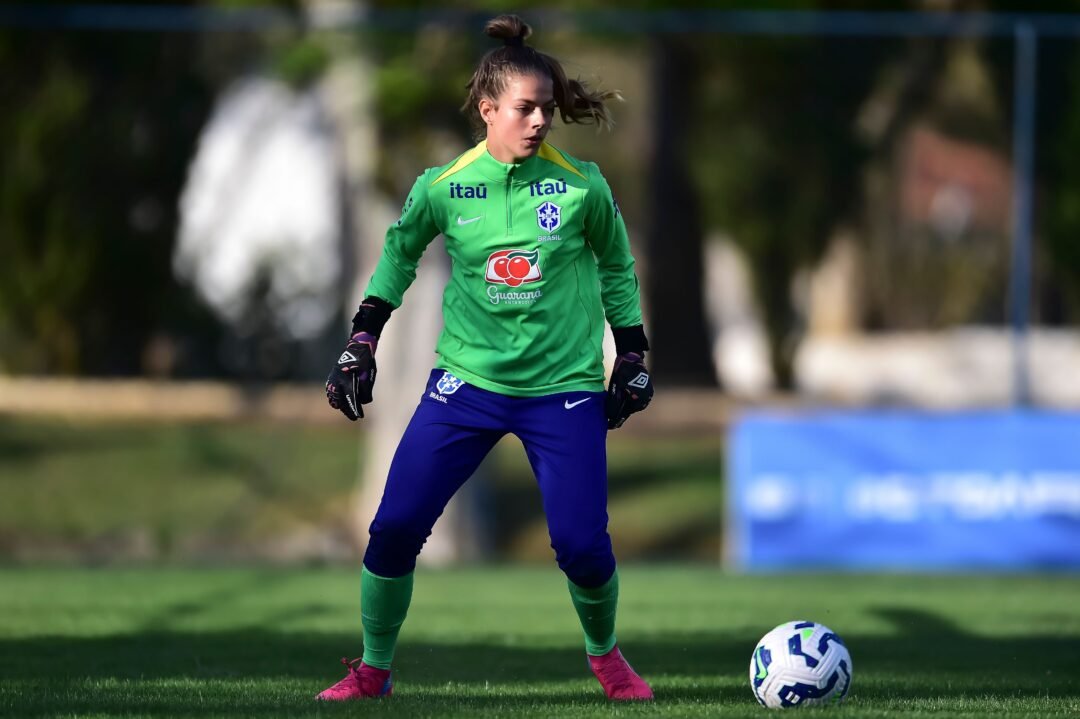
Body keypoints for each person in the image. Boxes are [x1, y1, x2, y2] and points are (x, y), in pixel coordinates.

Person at [319, 14, 655, 703]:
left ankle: (607, 658)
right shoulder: (443, 185)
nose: (539, 121)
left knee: (582, 546)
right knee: (394, 528)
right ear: (487, 109)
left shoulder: (583, 186)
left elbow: (617, 267)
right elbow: (398, 256)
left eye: (547, 109)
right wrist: (362, 340)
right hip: (466, 385)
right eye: (526, 108)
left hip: (562, 389)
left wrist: (632, 352)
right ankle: (373, 672)